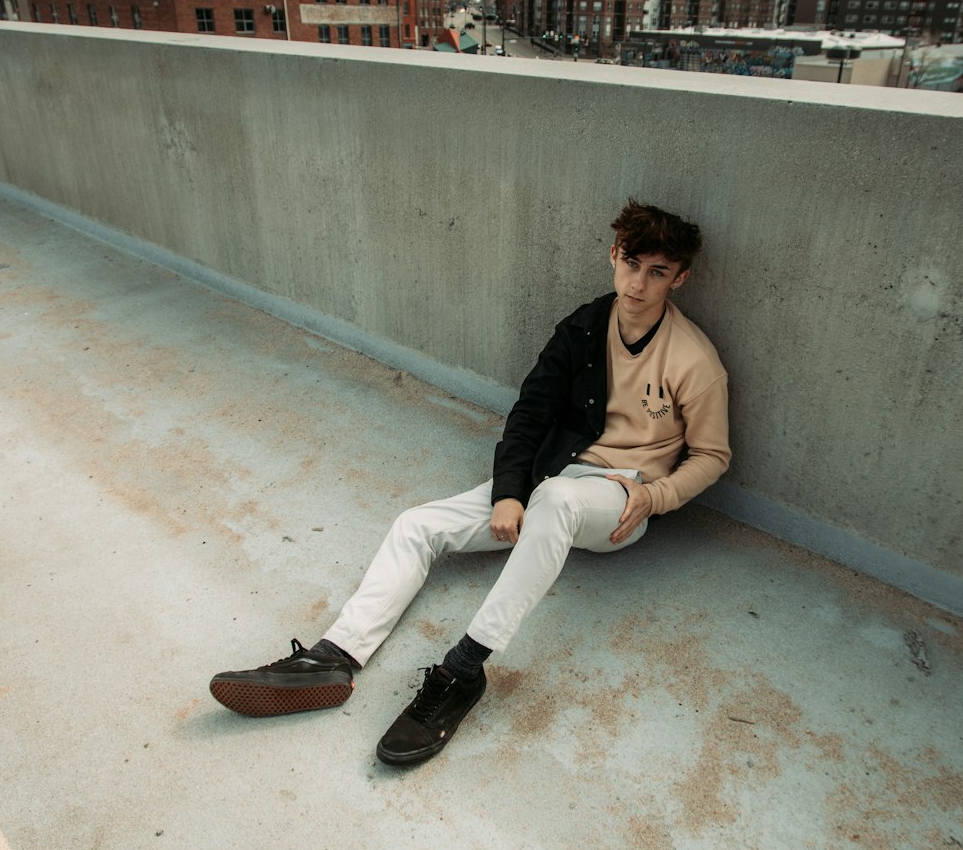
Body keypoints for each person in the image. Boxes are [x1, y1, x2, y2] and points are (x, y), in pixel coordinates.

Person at [209, 200, 731, 766]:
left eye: (658, 272)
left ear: (680, 278)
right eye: (632, 264)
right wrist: (508, 492)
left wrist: (655, 496)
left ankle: (462, 670)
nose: (639, 283)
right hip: (554, 472)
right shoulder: (582, 327)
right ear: (613, 257)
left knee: (556, 499)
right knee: (418, 525)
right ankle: (333, 656)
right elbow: (529, 416)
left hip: (619, 497)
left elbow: (712, 454)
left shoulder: (694, 359)